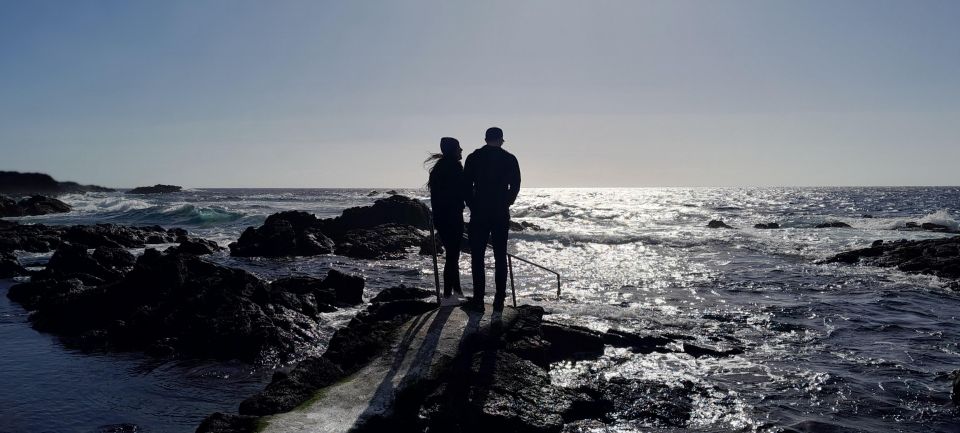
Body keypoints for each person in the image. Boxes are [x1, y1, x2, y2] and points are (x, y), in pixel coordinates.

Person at [462, 127, 521, 310]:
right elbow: (516, 185)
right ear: (501, 140)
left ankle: (478, 299)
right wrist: (506, 202)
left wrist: (473, 205)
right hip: (500, 213)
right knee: (500, 256)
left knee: (477, 257)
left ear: (485, 139)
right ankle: (499, 300)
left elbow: (466, 185)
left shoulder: (473, 157)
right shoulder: (509, 158)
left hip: (479, 213)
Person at [426, 137, 465, 297]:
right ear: (453, 150)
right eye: (459, 147)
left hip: (441, 218)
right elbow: (462, 191)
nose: (461, 150)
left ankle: (456, 291)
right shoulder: (454, 167)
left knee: (452, 255)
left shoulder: (439, 168)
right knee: (452, 256)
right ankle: (449, 294)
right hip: (452, 216)